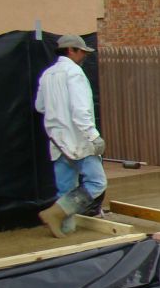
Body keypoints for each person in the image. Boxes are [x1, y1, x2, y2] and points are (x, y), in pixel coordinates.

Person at [35, 34, 107, 238]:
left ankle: (65, 229)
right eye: (81, 51)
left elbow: (40, 106)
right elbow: (80, 109)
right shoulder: (75, 73)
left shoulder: (47, 74)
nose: (83, 56)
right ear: (70, 50)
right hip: (79, 140)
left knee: (65, 188)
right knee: (96, 182)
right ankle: (53, 214)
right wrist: (93, 136)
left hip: (57, 141)